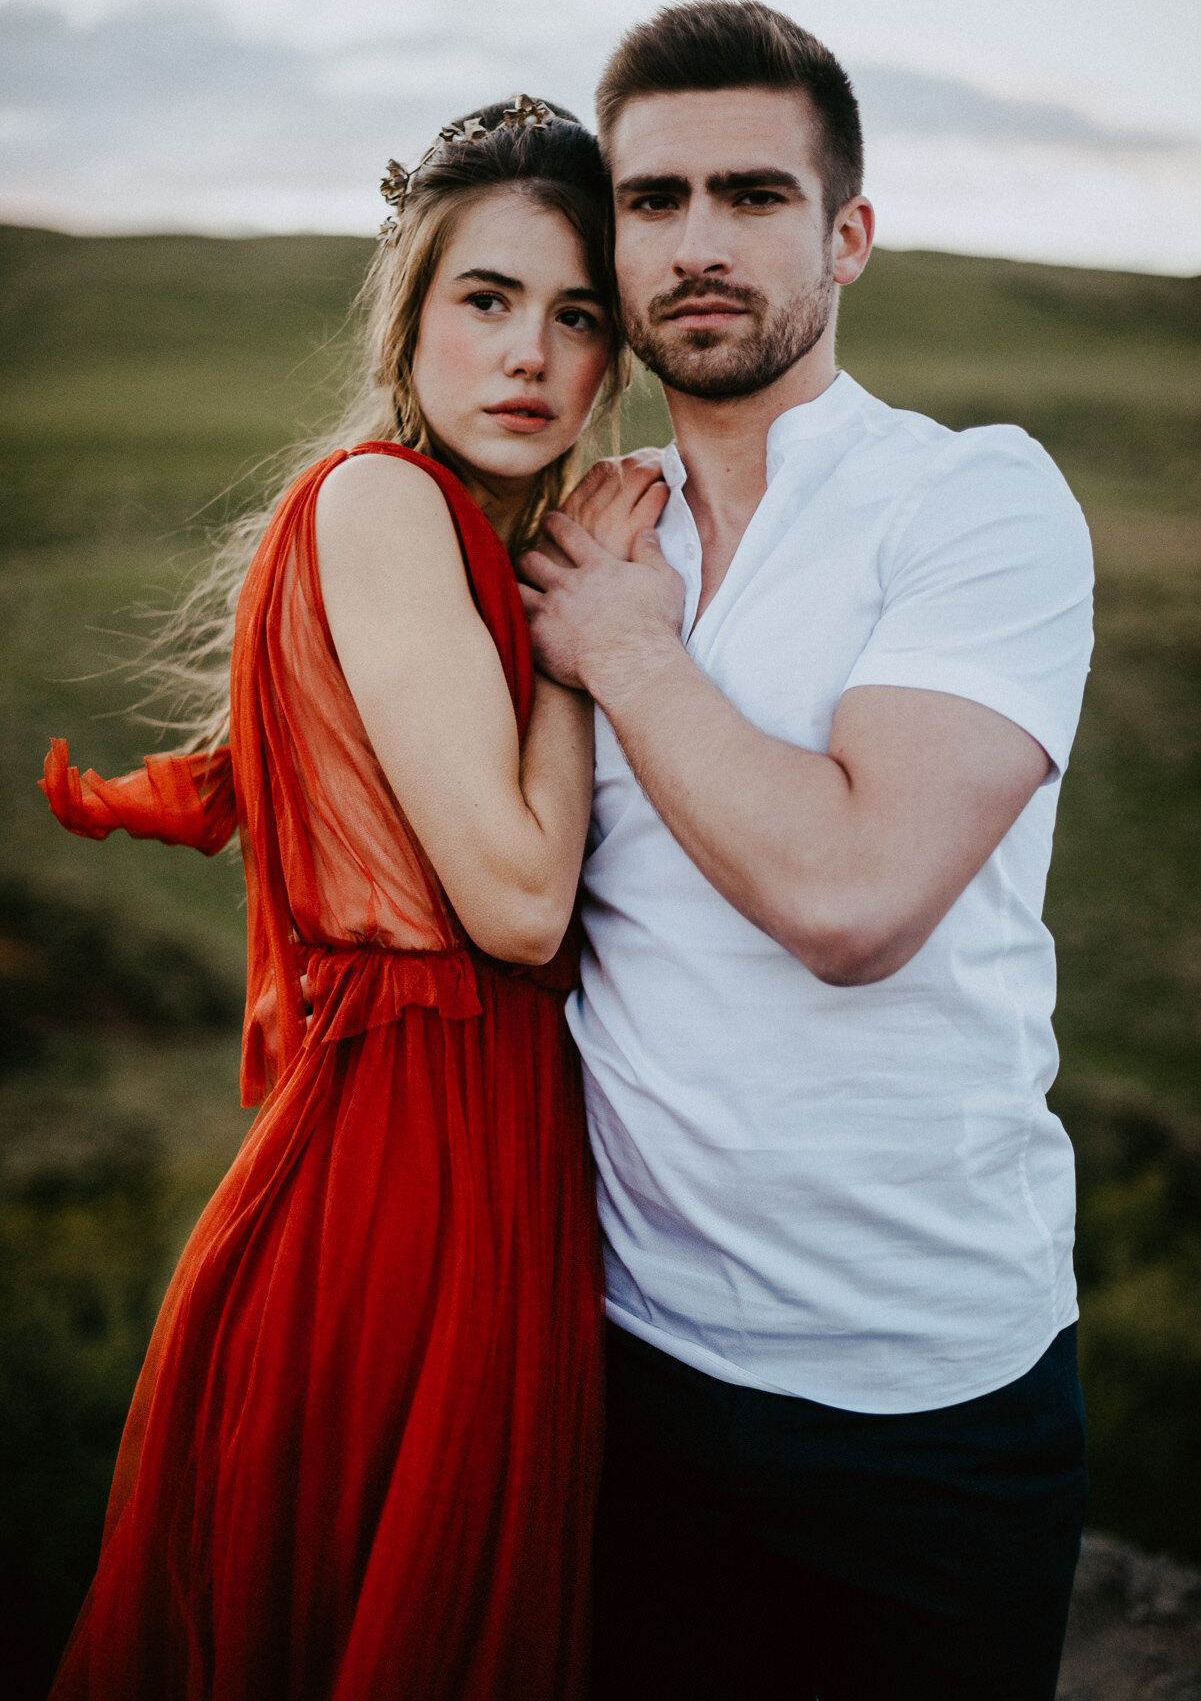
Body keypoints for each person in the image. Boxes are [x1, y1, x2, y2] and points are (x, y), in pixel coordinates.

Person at [40, 96, 665, 1701]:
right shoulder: (384, 503)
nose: (531, 354)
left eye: (578, 314)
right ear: (412, 314)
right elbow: (522, 907)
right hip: (409, 1188)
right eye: (488, 298)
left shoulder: (463, 530)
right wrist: (590, 646)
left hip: (476, 1165)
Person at [520, 3, 1094, 1701]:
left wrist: (628, 654)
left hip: (923, 1393)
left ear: (846, 235)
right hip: (629, 1372)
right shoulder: (583, 530)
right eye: (652, 200)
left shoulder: (971, 501)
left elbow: (852, 904)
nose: (697, 244)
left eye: (753, 196)